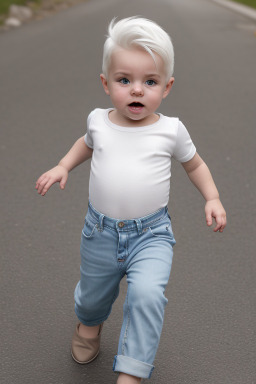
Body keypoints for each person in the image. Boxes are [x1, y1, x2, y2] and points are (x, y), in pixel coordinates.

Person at [36, 17, 226, 384]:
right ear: (106, 84)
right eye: (125, 80)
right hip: (100, 233)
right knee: (92, 298)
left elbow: (195, 164)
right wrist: (63, 166)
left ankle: (132, 371)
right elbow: (85, 145)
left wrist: (212, 196)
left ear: (167, 87)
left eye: (149, 82)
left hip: (151, 234)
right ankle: (89, 326)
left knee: (147, 296)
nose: (136, 90)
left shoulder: (171, 130)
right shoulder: (98, 121)